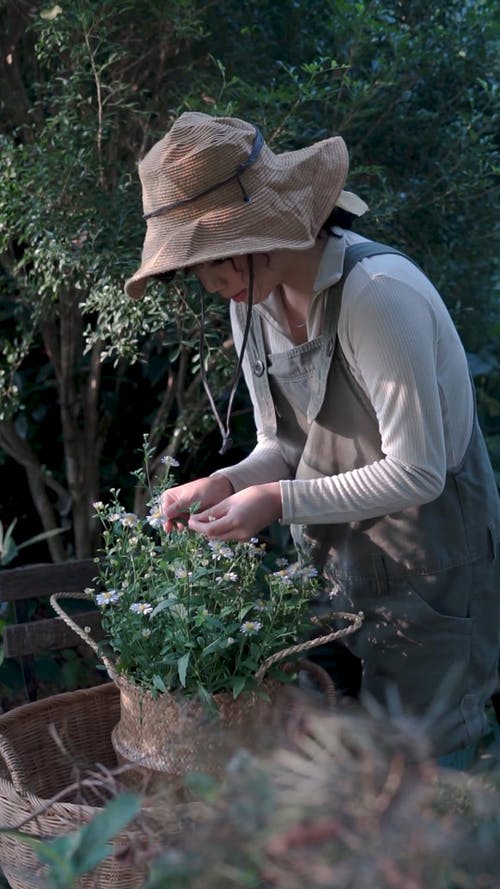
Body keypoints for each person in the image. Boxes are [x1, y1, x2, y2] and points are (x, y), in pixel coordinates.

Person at [125, 112, 500, 759]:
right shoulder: (252, 305)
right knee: (343, 800)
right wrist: (226, 482)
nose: (208, 282)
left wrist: (275, 501)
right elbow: (285, 447)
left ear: (260, 228)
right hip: (341, 580)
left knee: (437, 791)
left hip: (434, 581)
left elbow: (420, 471)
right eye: (194, 267)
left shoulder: (378, 295)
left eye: (211, 259)